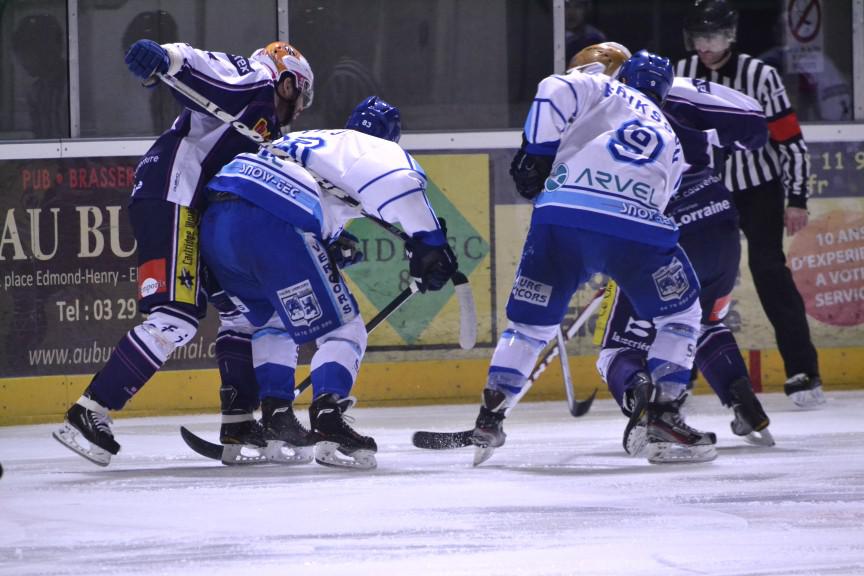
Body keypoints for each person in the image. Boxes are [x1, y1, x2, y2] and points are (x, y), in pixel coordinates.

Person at [53, 39, 315, 466]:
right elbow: (204, 64)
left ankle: (239, 422)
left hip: (196, 210)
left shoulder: (265, 130)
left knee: (242, 313)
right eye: (301, 95)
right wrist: (167, 57)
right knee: (176, 316)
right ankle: (90, 410)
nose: (300, 108)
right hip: (173, 193)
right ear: (286, 82)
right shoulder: (257, 79)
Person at [469, 49, 715, 466]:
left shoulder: (603, 86)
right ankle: (665, 415)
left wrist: (536, 154)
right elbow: (663, 199)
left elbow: (553, 87)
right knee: (680, 316)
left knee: (529, 326)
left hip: (562, 216)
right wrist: (619, 258)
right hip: (637, 229)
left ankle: (489, 417)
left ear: (625, 76)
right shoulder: (671, 138)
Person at [198, 96, 457, 469]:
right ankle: (328, 418)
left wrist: (331, 243)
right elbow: (402, 184)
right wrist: (432, 244)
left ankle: (276, 418)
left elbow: (316, 197)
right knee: (344, 329)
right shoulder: (373, 148)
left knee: (274, 317)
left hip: (218, 223)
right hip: (275, 221)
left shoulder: (312, 140)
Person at [581, 43, 775, 455]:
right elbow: (754, 125)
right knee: (705, 323)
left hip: (667, 235)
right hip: (719, 222)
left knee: (619, 349)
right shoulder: (680, 96)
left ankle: (649, 410)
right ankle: (743, 400)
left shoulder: (598, 119)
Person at [675, 0, 825, 408]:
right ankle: (680, 373)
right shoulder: (680, 74)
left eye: (711, 36)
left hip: (758, 189)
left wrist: (797, 198)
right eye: (698, 37)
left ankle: (803, 371)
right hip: (702, 192)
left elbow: (789, 140)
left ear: (730, 35)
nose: (704, 46)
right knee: (693, 280)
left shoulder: (761, 75)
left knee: (770, 271)